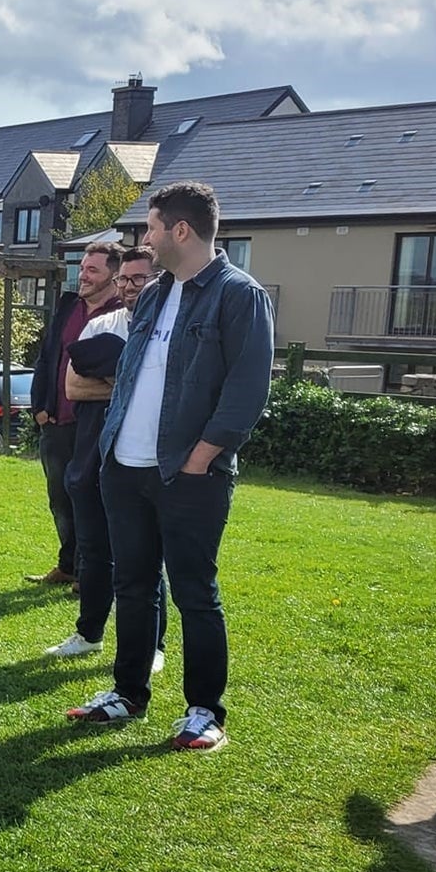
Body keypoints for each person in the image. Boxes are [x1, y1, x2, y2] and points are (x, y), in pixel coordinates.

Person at [69, 182, 273, 751]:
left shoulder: (239, 296)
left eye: (152, 227)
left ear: (181, 230)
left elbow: (248, 388)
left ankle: (205, 711)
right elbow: (134, 372)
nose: (146, 239)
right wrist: (111, 447)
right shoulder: (156, 293)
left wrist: (202, 457)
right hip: (125, 467)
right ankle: (127, 692)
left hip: (191, 475)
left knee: (194, 592)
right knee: (132, 584)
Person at [45, 248, 167, 668]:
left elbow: (170, 391)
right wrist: (134, 384)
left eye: (139, 279)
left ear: (158, 281)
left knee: (146, 556)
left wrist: (114, 377)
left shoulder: (166, 329)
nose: (130, 287)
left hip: (141, 461)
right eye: (125, 280)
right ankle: (89, 633)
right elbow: (74, 389)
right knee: (93, 550)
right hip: (92, 455)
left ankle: (153, 646)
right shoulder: (101, 324)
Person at [28, 241, 125, 587]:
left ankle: (91, 573)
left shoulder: (121, 315)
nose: (82, 275)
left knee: (91, 500)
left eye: (92, 270)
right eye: (82, 268)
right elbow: (46, 357)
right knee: (61, 499)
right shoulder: (68, 307)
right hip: (55, 422)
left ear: (114, 275)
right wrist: (40, 408)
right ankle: (68, 565)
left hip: (93, 425)